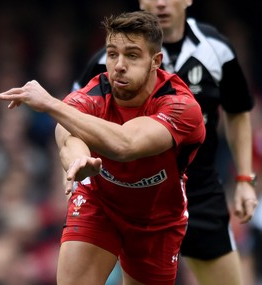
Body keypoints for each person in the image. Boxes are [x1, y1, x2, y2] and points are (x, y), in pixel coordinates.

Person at [0, 11, 206, 285]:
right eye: (112, 54)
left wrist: (50, 103)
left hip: (157, 219)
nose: (118, 65)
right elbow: (67, 136)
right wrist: (79, 160)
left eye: (132, 55)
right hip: (100, 204)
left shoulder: (180, 106)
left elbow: (125, 144)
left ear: (156, 61)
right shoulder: (91, 96)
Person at [72, 1, 259, 285]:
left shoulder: (217, 50)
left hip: (200, 192)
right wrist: (75, 163)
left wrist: (244, 178)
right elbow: (74, 119)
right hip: (130, 196)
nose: (160, 2)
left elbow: (237, 113)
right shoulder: (110, 59)